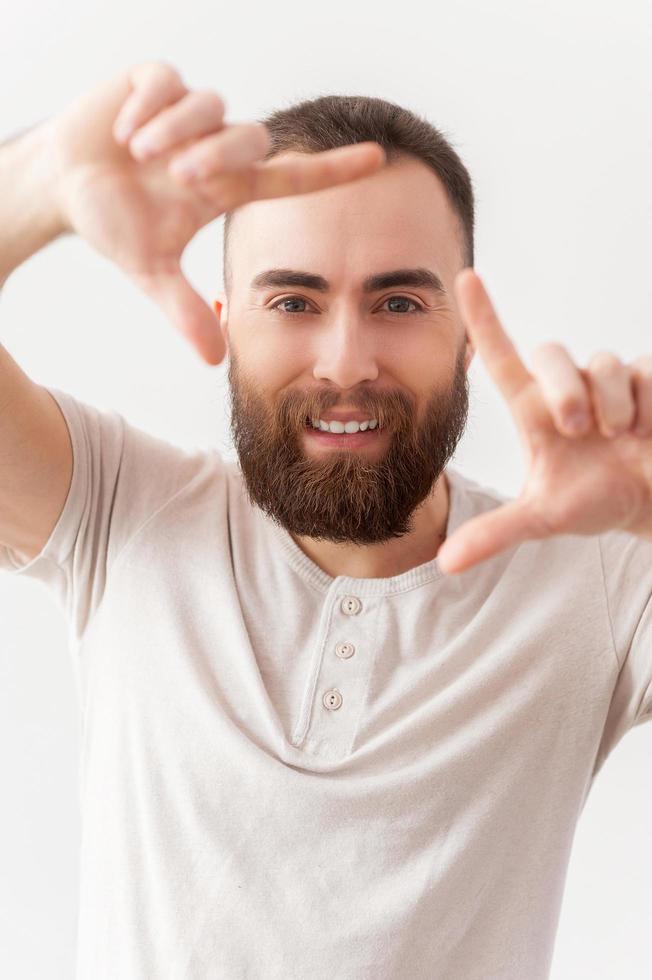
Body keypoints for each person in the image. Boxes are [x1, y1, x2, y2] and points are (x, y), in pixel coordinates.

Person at [1, 59, 650, 980]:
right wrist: (35, 186)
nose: (346, 363)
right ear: (228, 322)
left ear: (465, 336)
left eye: (397, 302)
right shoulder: (118, 510)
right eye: (294, 301)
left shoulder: (597, 581)